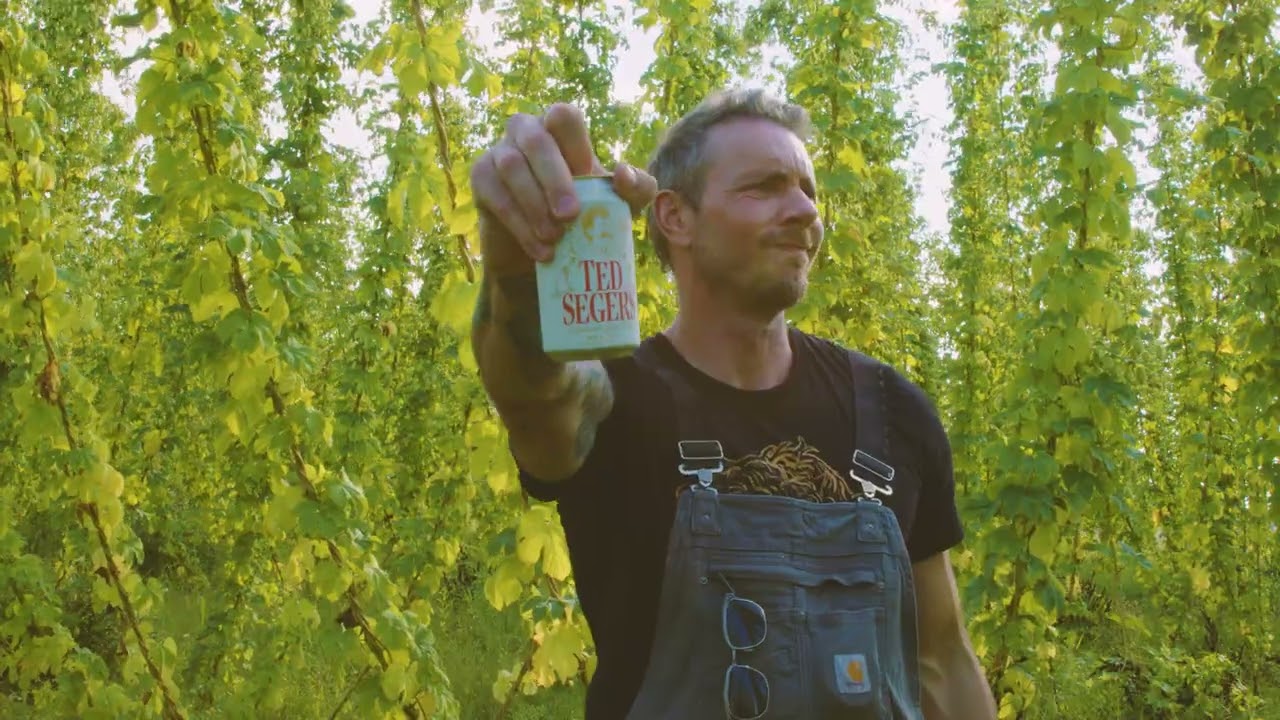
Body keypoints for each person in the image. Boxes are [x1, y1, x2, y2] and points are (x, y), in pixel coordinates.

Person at [469, 88, 996, 720]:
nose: (804, 210)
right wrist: (515, 279)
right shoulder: (615, 404)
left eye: (809, 190)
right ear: (675, 217)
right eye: (764, 187)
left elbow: (943, 659)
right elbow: (532, 389)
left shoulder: (893, 411)